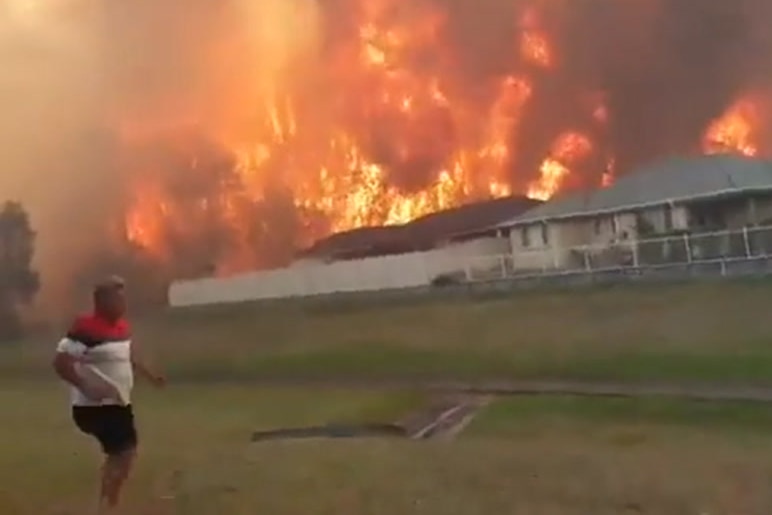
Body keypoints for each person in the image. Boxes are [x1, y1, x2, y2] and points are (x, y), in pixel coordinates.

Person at [52, 276, 165, 513]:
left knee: (122, 455)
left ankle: (108, 501)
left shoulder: (122, 328)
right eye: (118, 298)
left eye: (124, 298)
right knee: (125, 452)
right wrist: (85, 386)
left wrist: (151, 376)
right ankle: (108, 503)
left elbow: (129, 356)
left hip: (119, 403)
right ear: (101, 302)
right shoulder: (84, 328)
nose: (123, 304)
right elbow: (61, 363)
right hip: (94, 407)